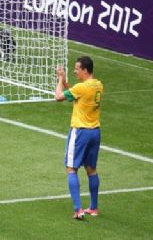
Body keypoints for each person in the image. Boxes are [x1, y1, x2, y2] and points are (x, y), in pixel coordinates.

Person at [55, 56, 103, 220]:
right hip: (95, 132)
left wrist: (61, 79)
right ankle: (94, 207)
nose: (74, 71)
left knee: (71, 169)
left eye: (77, 68)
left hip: (80, 132)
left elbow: (59, 96)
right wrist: (67, 83)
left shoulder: (82, 88)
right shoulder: (98, 85)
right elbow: (75, 93)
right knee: (91, 169)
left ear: (84, 70)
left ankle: (78, 209)